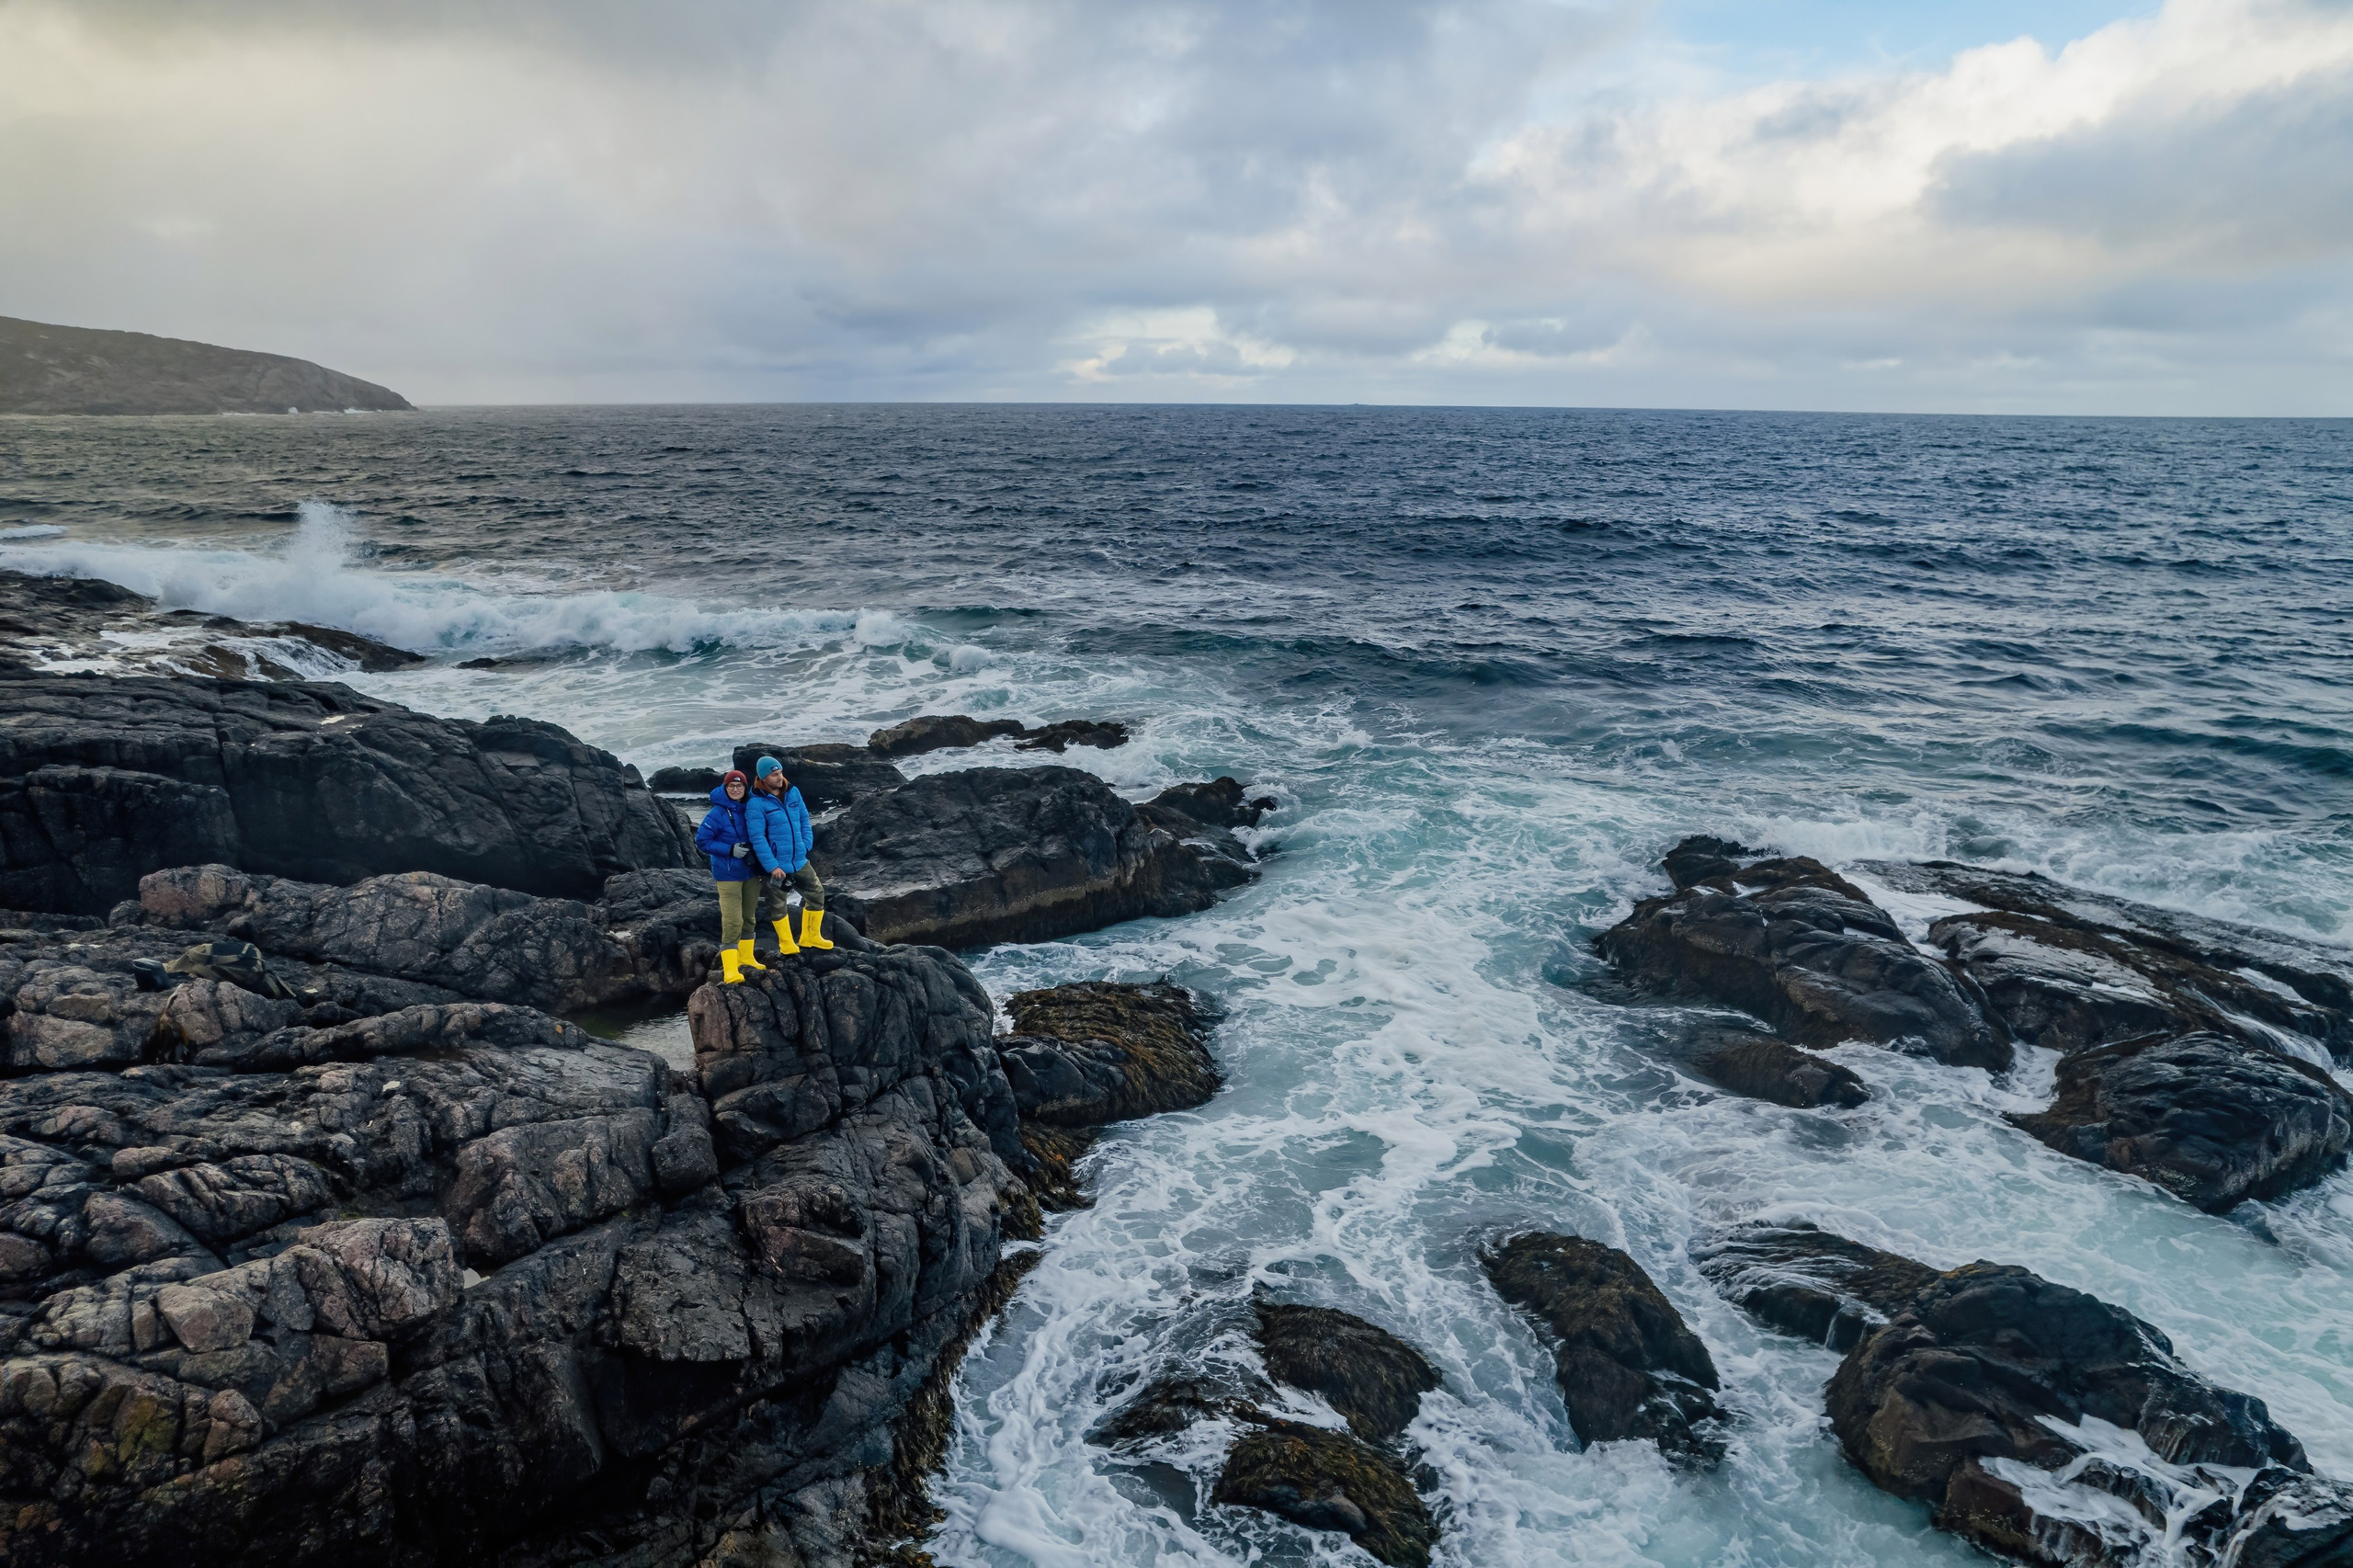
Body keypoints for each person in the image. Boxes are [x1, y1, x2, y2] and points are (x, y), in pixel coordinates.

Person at [747, 755, 833, 953]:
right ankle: (786, 943)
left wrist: (806, 844)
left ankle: (810, 936)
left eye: (780, 772)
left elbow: (804, 819)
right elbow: (757, 838)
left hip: (799, 860)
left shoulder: (793, 792)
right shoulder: (756, 803)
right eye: (774, 774)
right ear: (763, 777)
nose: (780, 777)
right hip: (777, 866)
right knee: (778, 904)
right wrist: (772, 866)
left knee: (817, 894)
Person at [695, 768, 769, 983]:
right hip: (727, 874)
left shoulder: (752, 808)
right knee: (732, 920)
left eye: (739, 786)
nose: (735, 789)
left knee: (749, 917)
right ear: (725, 787)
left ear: (745, 787)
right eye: (731, 786)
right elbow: (701, 841)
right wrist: (730, 849)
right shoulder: (717, 814)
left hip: (751, 872)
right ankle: (730, 969)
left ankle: (746, 958)